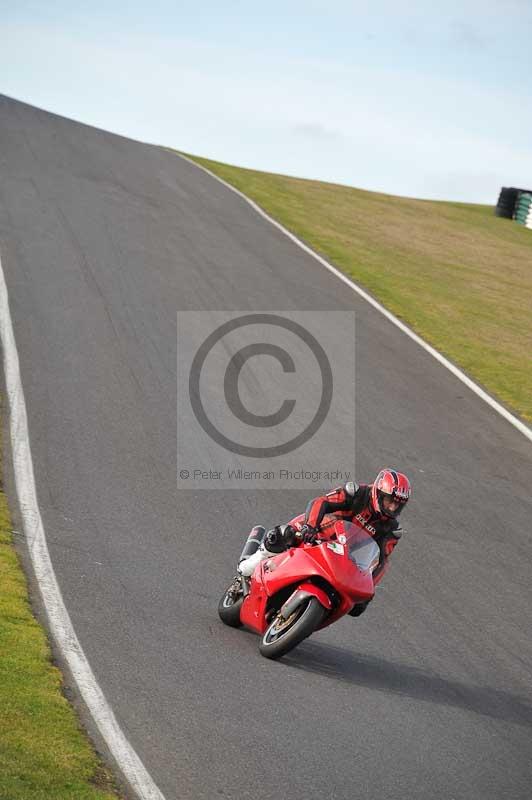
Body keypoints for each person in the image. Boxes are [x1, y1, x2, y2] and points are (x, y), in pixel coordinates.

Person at [238, 468, 411, 615]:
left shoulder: (392, 530)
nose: (392, 508)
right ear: (378, 493)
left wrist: (368, 590)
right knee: (285, 534)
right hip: (319, 532)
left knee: (346, 598)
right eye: (390, 501)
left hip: (345, 557)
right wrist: (310, 527)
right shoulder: (356, 493)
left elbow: (380, 561)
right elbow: (321, 502)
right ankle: (250, 564)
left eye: (398, 505)